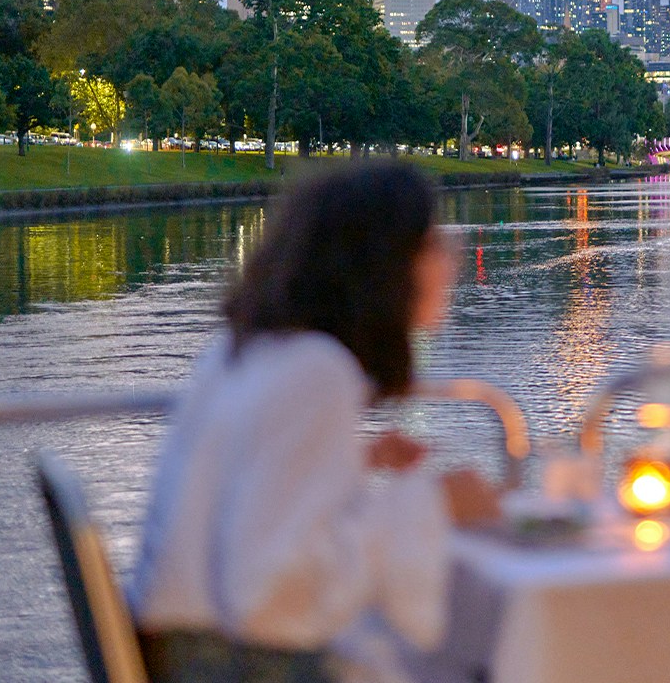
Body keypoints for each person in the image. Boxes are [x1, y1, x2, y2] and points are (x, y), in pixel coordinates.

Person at [129, 161, 499, 683]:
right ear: (385, 263)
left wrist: (357, 460)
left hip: (181, 653)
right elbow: (269, 597)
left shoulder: (249, 349)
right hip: (233, 666)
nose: (451, 255)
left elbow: (245, 494)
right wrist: (433, 503)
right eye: (431, 241)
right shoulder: (315, 372)